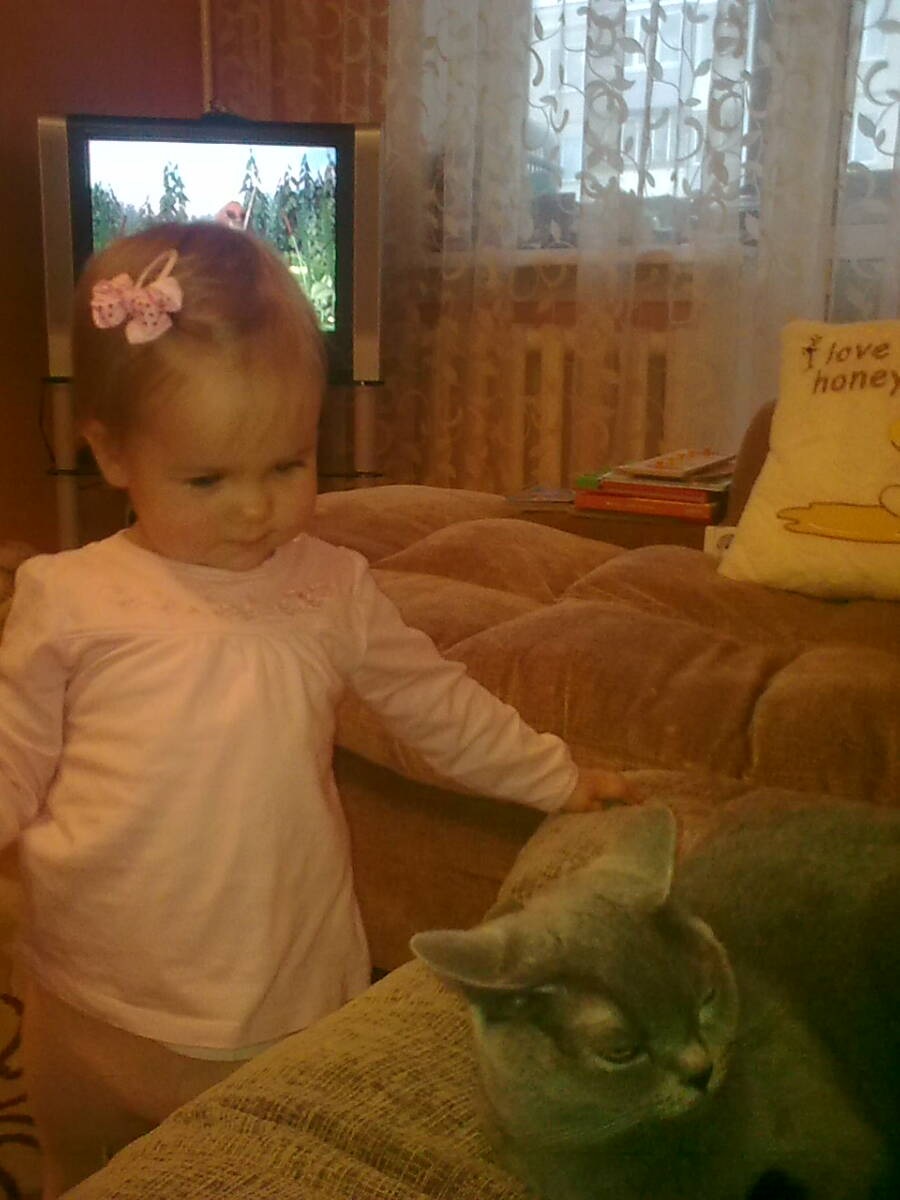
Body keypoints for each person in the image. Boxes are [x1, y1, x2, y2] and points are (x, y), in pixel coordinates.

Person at [0, 221, 635, 1196]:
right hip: (85, 996)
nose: (255, 508)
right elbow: (12, 754)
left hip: (273, 1002)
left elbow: (435, 703)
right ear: (112, 454)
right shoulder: (69, 595)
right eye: (207, 479)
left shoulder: (330, 589)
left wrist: (556, 776)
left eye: (287, 465)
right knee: (77, 1172)